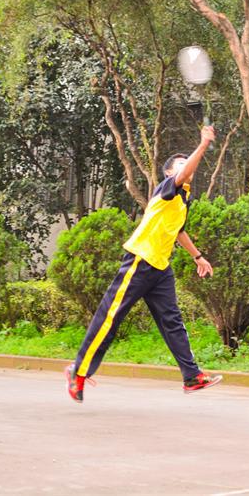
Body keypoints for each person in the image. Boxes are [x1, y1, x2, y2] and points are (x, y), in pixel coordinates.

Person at [65, 125, 222, 402]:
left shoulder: (183, 200)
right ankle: (78, 371)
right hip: (140, 260)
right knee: (111, 317)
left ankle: (192, 377)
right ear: (170, 173)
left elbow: (179, 232)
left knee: (172, 321)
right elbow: (184, 173)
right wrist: (204, 144)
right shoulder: (166, 189)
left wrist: (198, 256)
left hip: (160, 268)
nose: (188, 168)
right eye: (182, 165)